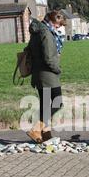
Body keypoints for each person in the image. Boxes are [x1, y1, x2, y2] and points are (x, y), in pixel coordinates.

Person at [26, 11, 66, 143]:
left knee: (45, 105)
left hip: (38, 73)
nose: (58, 28)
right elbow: (49, 58)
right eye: (57, 25)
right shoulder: (46, 34)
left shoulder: (37, 32)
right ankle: (36, 129)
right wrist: (57, 69)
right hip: (48, 74)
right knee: (57, 102)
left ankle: (45, 134)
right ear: (51, 21)